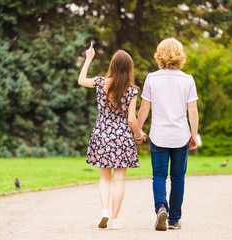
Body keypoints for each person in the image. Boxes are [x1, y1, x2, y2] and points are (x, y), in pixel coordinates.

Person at [78, 42, 146, 229]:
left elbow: (81, 80)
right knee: (120, 180)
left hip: (101, 133)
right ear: (129, 69)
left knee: (104, 179)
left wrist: (88, 59)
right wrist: (139, 134)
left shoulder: (100, 82)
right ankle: (114, 220)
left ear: (112, 66)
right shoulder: (132, 90)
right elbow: (132, 119)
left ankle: (104, 212)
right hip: (122, 136)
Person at [136, 38, 199, 231]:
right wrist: (194, 135)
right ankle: (174, 220)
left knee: (159, 175)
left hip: (159, 135)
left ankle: (161, 207)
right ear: (180, 55)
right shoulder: (187, 79)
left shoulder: (152, 78)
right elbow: (193, 111)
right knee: (178, 177)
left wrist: (138, 131)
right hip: (180, 135)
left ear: (159, 54)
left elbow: (145, 107)